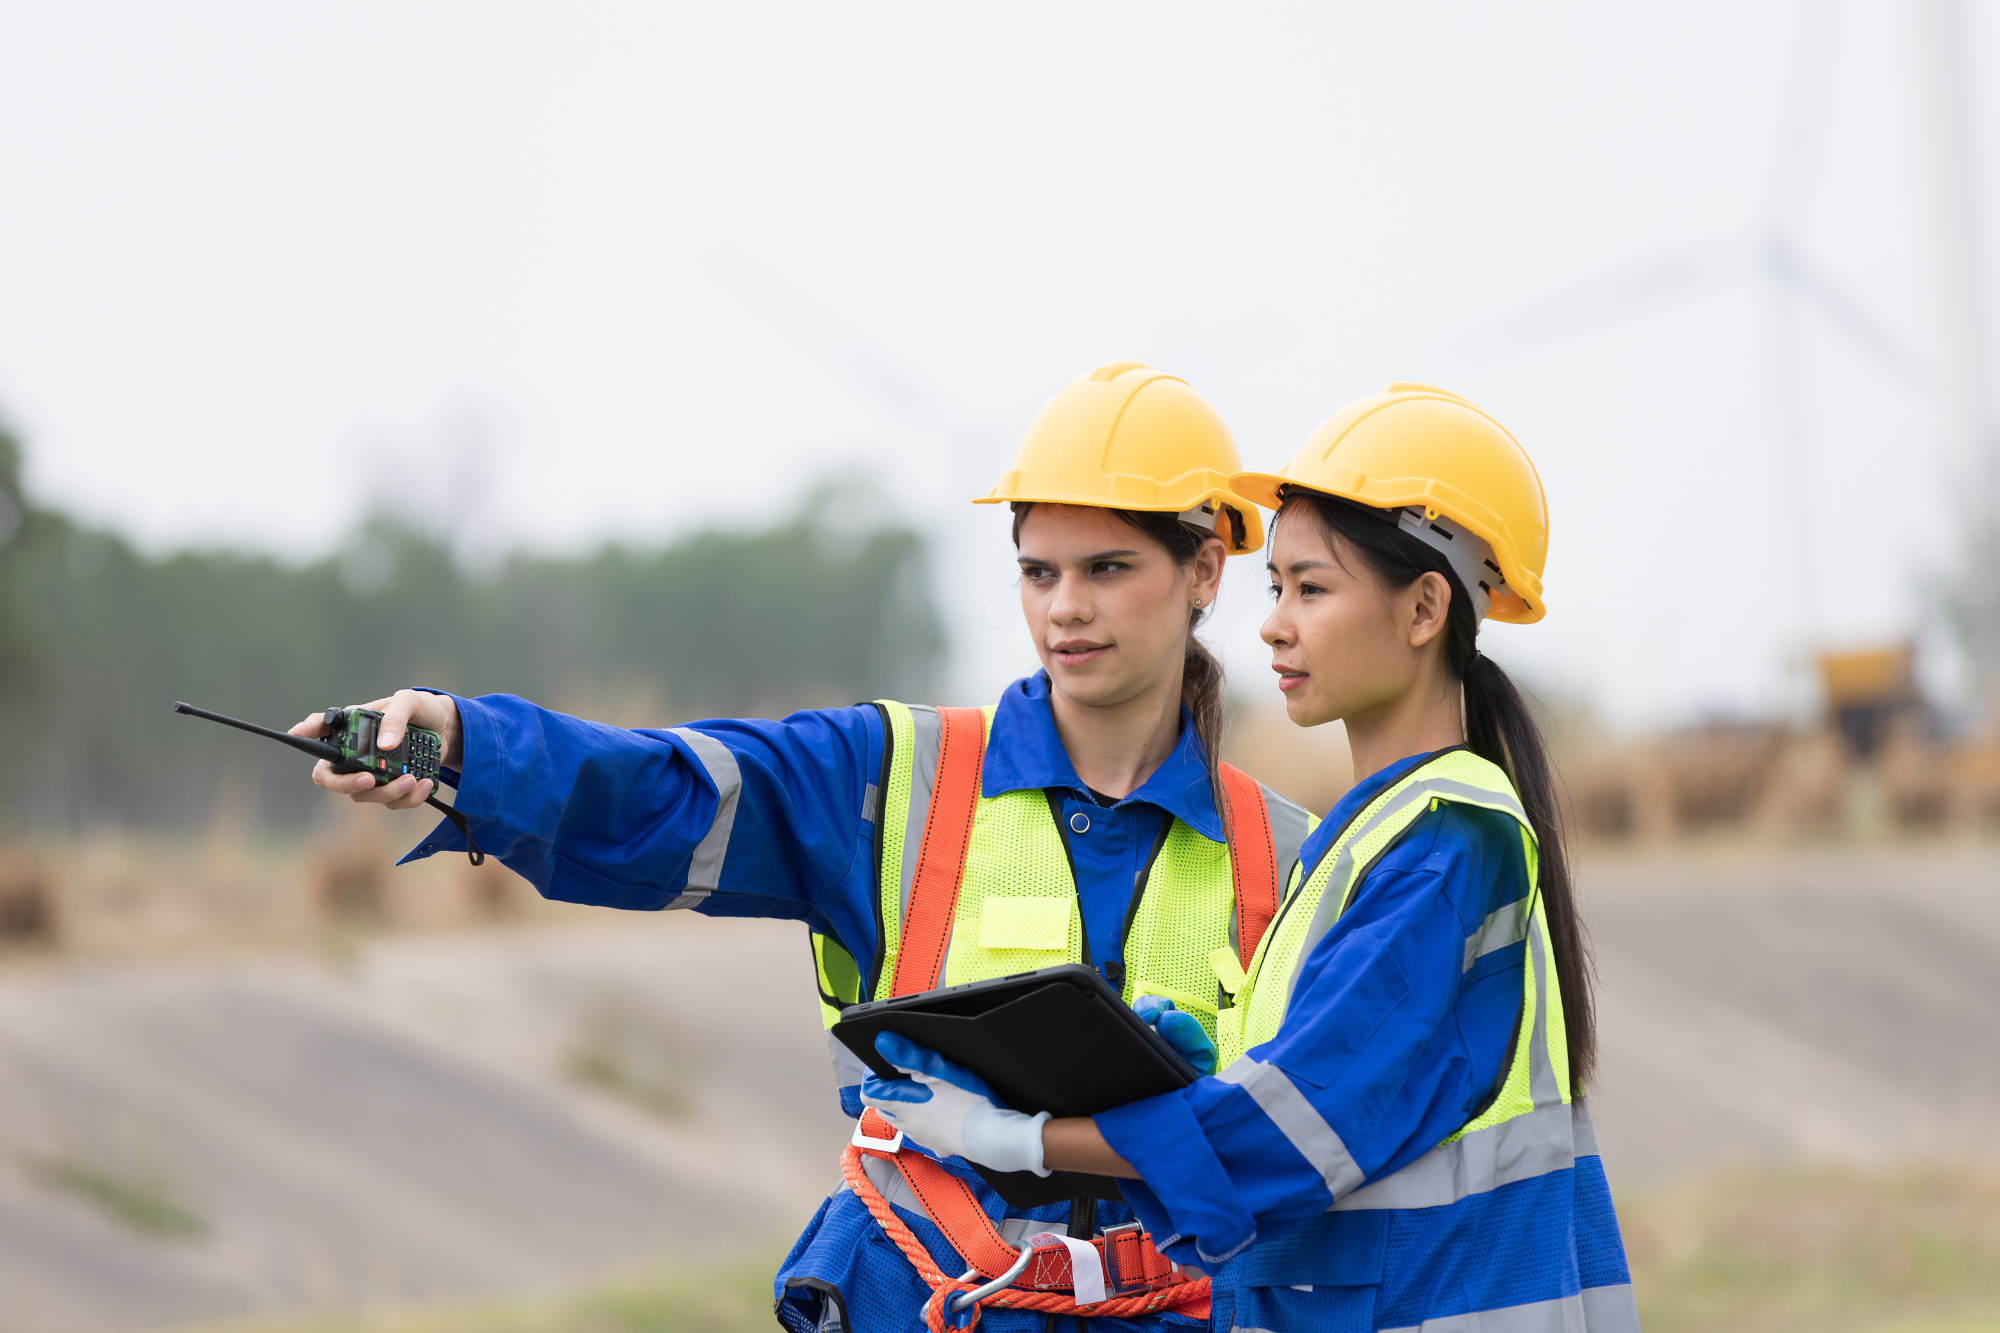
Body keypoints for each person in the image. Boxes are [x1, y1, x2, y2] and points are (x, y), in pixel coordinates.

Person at [292, 361, 1316, 1333]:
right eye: (1037, 571)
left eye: (1106, 568)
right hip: (913, 1300)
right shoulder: (887, 777)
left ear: (1203, 571)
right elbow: (658, 793)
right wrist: (472, 748)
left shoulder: (1289, 855)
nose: (1063, 607)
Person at [863, 384, 1638, 1331]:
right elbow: (1337, 1097)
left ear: (1426, 606)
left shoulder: (1444, 848)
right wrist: (1195, 1077)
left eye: (1312, 588)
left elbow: (1287, 1132)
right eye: (1275, 587)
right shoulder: (1373, 836)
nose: (1272, 623)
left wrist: (1013, 1138)